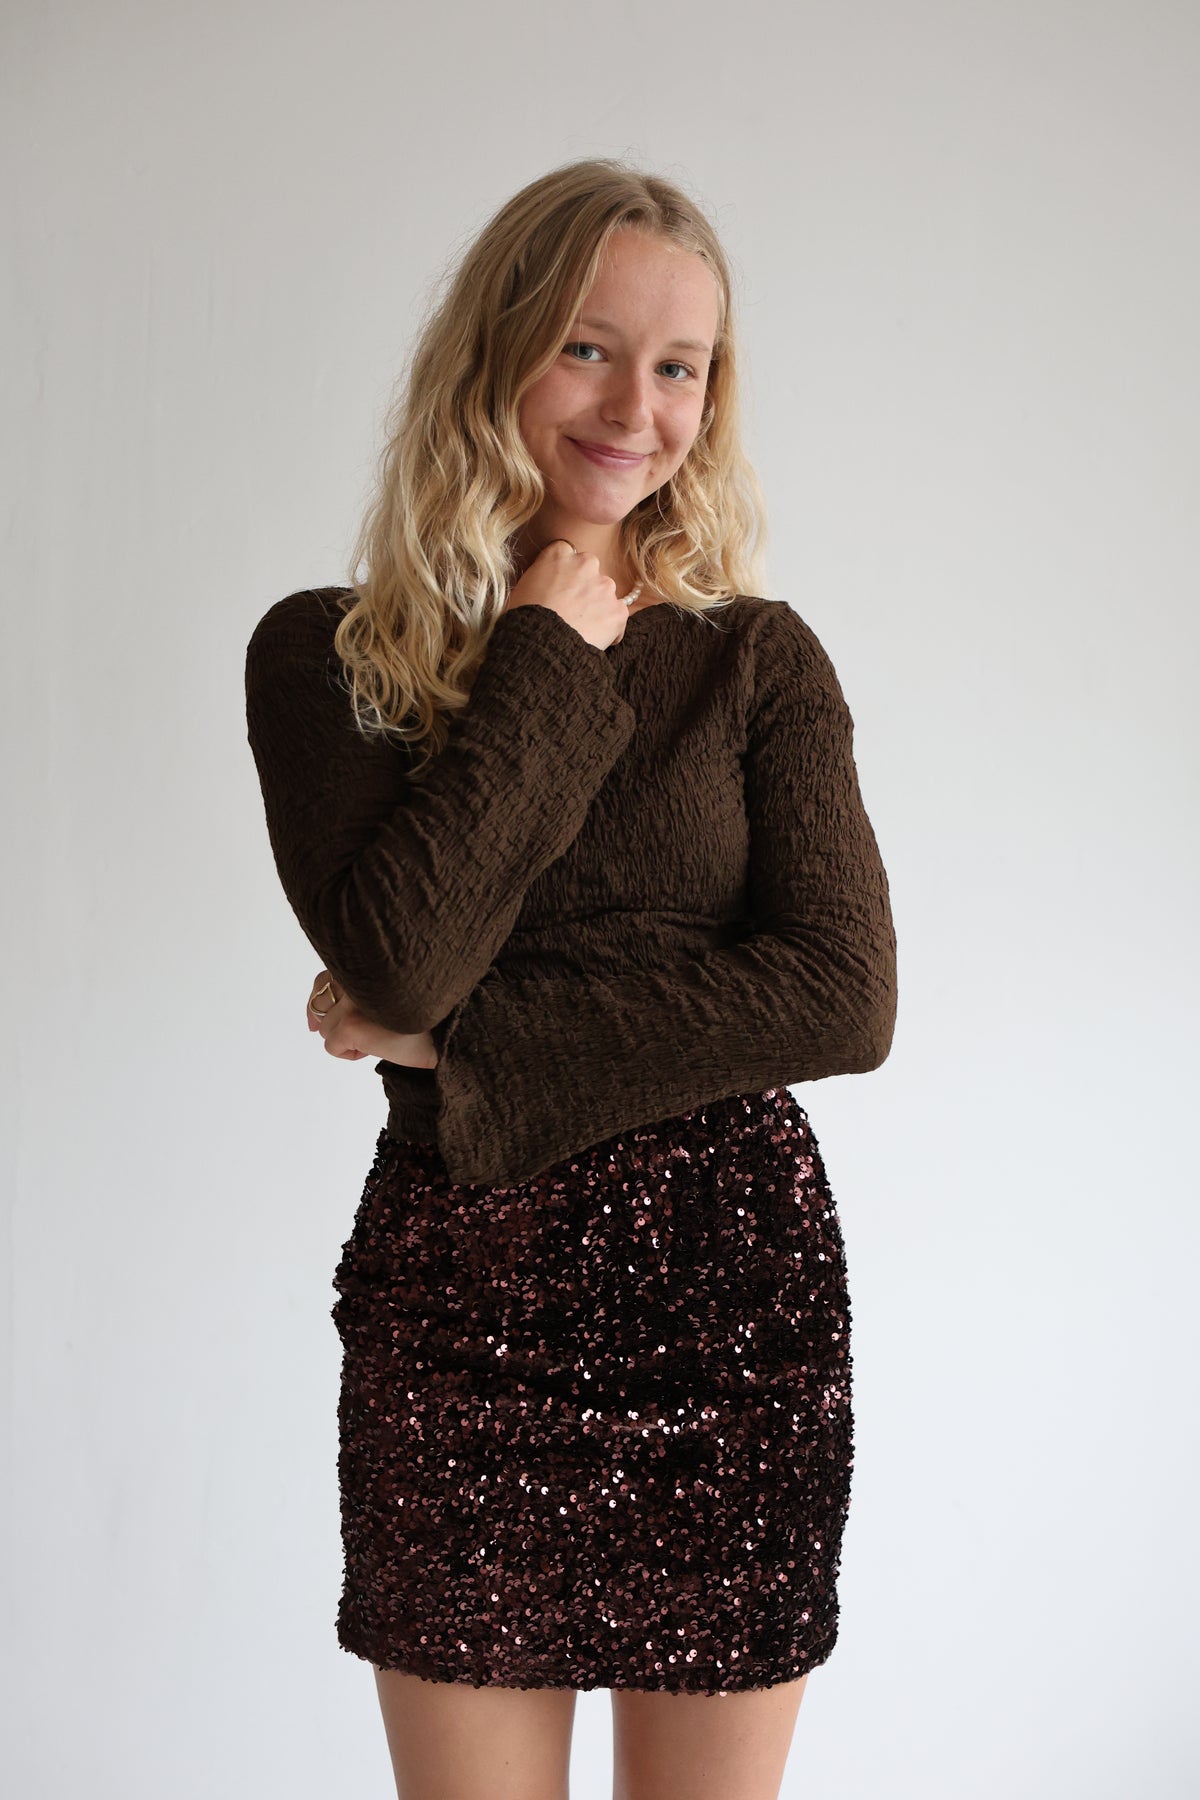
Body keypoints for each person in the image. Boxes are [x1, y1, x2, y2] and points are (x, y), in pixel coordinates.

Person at [245, 157, 897, 1800]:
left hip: (733, 1313)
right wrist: (546, 646)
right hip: (458, 1316)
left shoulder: (758, 658)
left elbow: (841, 995)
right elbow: (401, 953)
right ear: (496, 352)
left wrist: (458, 1048)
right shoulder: (329, 656)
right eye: (589, 349)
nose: (638, 410)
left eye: (682, 367)